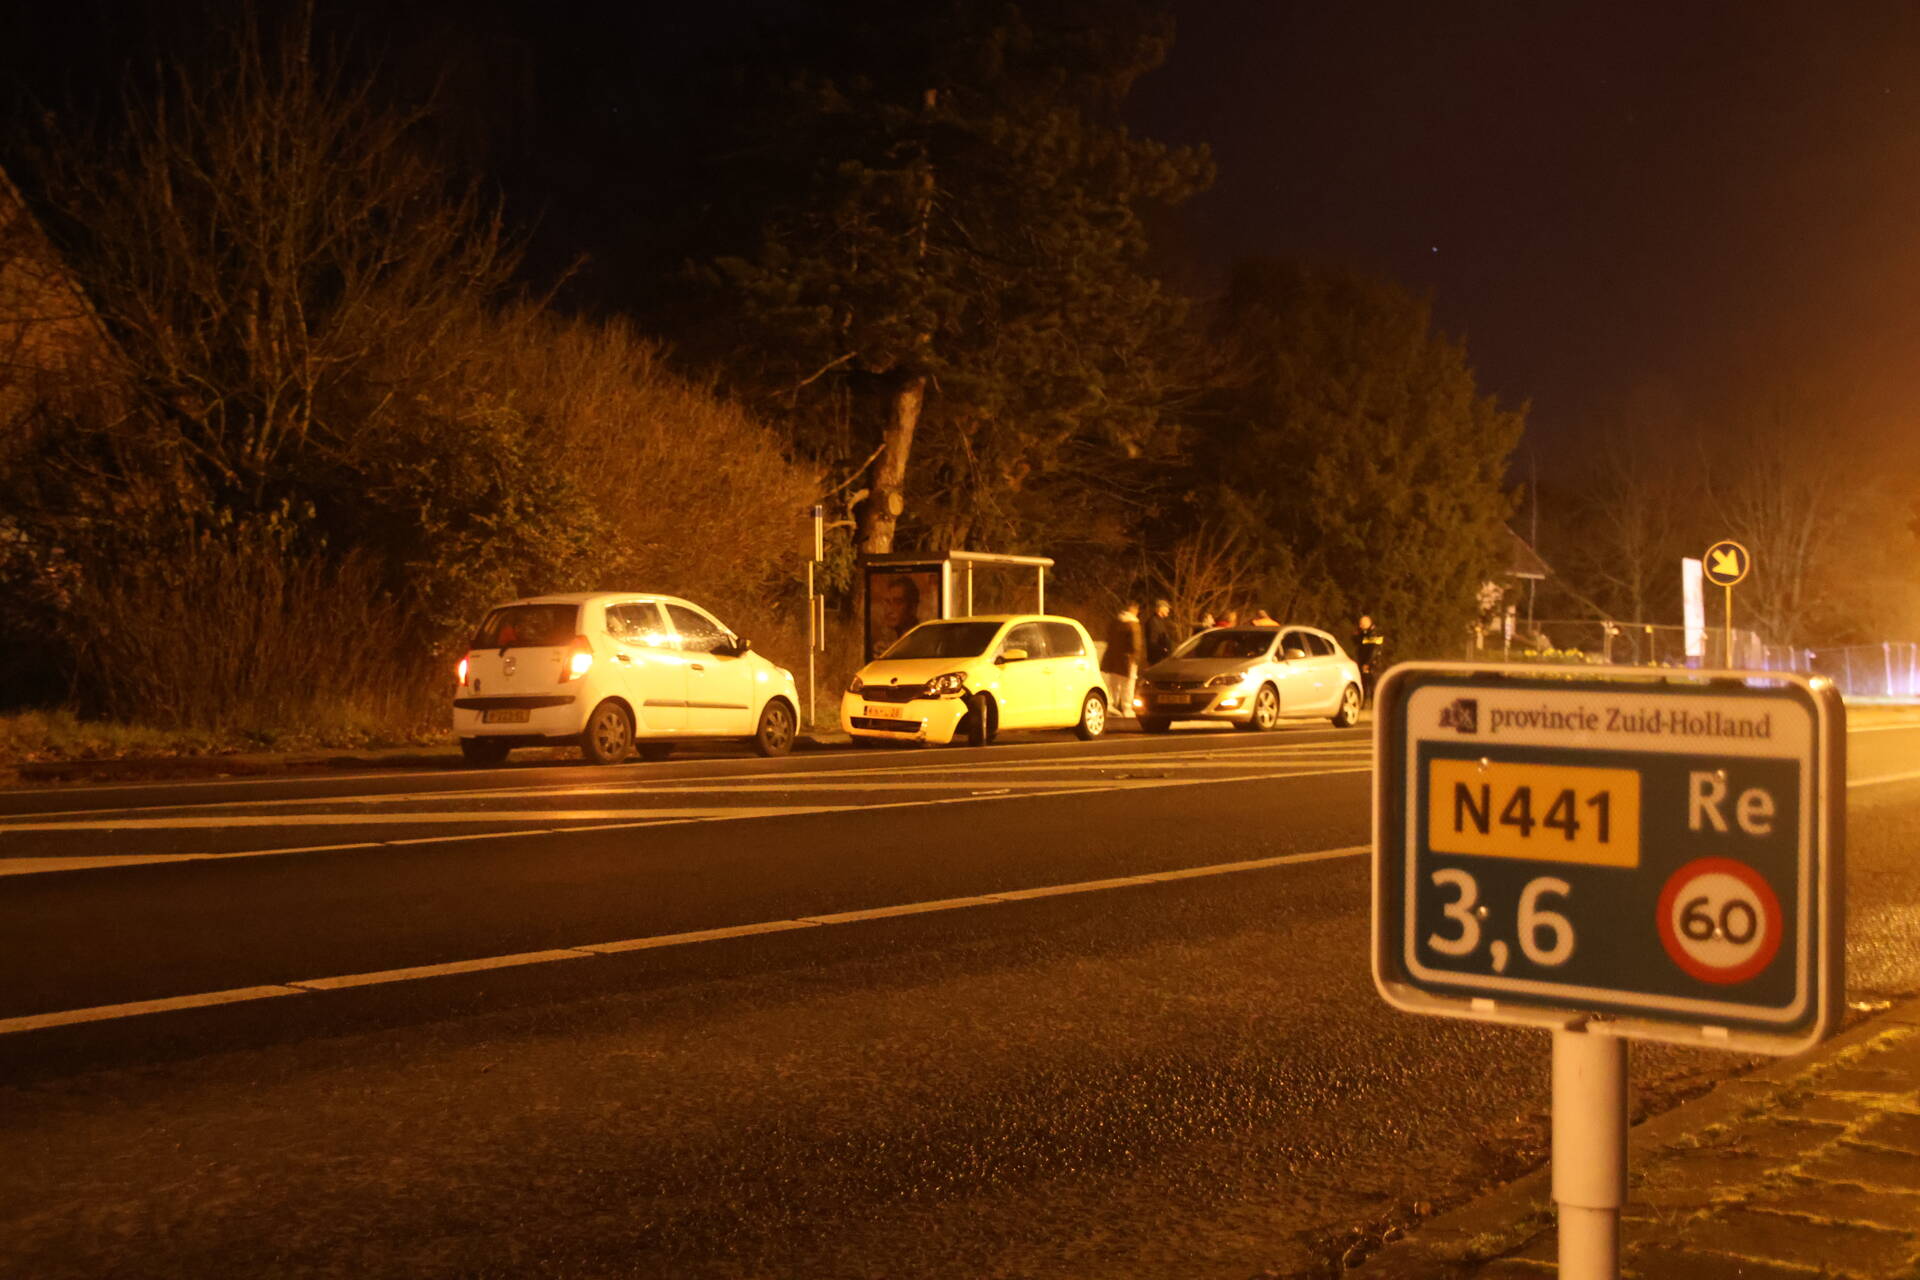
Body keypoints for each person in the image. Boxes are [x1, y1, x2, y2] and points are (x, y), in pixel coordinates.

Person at [1101, 602, 1144, 719]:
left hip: (1114, 659)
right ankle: (1126, 708)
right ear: (1134, 610)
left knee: (1114, 684)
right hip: (1128, 660)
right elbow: (1136, 644)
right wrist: (1136, 659)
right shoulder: (1133, 624)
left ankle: (1113, 706)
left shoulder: (1115, 622)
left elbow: (1108, 638)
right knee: (1128, 684)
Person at [869, 574, 923, 656]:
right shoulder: (887, 643)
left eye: (898, 602)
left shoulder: (922, 642)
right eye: (887, 602)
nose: (889, 610)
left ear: (913, 607)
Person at [1352, 614, 1386, 706]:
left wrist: (1368, 663)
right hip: (1365, 662)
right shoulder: (1365, 634)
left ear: (1367, 623)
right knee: (1364, 684)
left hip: (1373, 664)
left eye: (1362, 624)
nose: (1360, 626)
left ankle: (1374, 704)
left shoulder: (1375, 634)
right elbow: (1359, 643)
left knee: (1373, 685)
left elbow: (1374, 651)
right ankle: (1364, 704)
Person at [1144, 598, 1177, 666]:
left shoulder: (1161, 621)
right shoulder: (1153, 622)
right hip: (1157, 658)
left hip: (1162, 657)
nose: (1168, 611)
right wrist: (1163, 649)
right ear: (1161, 609)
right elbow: (1152, 642)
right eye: (1167, 609)